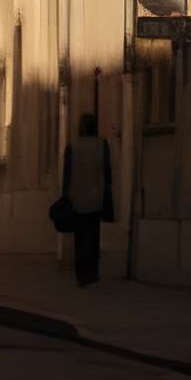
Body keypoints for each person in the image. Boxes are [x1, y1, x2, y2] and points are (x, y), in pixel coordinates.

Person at [60, 112, 115, 285]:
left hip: (77, 198)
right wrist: (108, 195)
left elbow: (67, 174)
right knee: (93, 237)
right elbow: (107, 172)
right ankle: (92, 272)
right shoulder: (102, 144)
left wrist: (65, 196)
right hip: (95, 197)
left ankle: (81, 274)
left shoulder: (72, 145)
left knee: (80, 237)